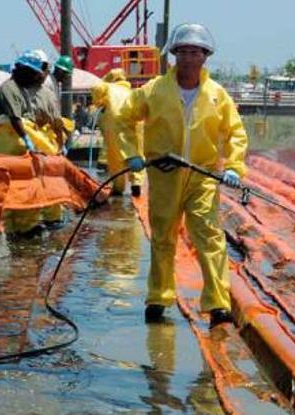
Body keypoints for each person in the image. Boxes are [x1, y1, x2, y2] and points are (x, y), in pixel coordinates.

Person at [118, 23, 248, 328]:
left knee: (209, 237)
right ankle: (159, 297)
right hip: (164, 175)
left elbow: (235, 133)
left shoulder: (217, 95)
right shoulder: (154, 90)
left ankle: (218, 303)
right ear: (174, 55)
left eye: (196, 52)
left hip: (201, 176)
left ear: (205, 57)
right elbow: (123, 119)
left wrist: (233, 167)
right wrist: (132, 154)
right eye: (184, 52)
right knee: (163, 237)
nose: (189, 58)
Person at [0, 51, 63, 236]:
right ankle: (15, 227)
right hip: (10, 144)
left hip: (17, 144)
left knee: (25, 186)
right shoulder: (9, 88)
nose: (36, 80)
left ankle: (24, 225)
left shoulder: (20, 87)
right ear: (26, 70)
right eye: (35, 75)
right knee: (15, 187)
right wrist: (28, 140)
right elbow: (15, 118)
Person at [91, 68, 143, 197]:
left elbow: (96, 88)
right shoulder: (131, 91)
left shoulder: (108, 87)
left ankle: (119, 187)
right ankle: (136, 182)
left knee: (115, 156)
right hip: (134, 121)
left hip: (114, 121)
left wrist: (98, 102)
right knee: (135, 151)